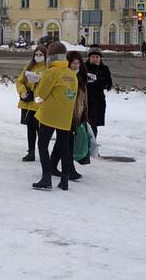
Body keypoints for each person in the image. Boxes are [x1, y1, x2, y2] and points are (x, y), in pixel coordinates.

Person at [32, 42, 78, 191]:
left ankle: (46, 178)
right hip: (66, 115)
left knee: (42, 145)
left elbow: (41, 94)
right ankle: (64, 180)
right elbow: (72, 95)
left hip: (50, 115)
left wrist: (38, 83)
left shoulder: (51, 72)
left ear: (50, 56)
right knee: (65, 147)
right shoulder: (71, 73)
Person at [50, 51, 88, 179]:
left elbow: (84, 99)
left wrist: (84, 114)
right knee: (67, 142)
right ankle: (69, 169)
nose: (76, 66)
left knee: (62, 141)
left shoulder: (82, 77)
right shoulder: (64, 76)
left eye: (78, 63)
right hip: (64, 113)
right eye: (73, 63)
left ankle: (52, 165)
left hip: (77, 114)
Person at [15, 45, 47, 162]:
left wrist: (41, 80)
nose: (38, 56)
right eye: (36, 54)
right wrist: (22, 91)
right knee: (30, 129)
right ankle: (31, 152)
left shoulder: (48, 69)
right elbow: (19, 82)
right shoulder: (29, 67)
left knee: (41, 130)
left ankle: (43, 153)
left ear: (45, 56)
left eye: (41, 55)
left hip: (40, 104)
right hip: (28, 103)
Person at [85, 44, 113, 139]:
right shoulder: (84, 67)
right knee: (84, 124)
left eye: (97, 57)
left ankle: (92, 145)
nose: (95, 59)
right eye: (93, 57)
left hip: (98, 100)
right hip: (86, 99)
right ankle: (83, 145)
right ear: (89, 57)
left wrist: (98, 80)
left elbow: (109, 84)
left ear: (100, 58)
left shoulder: (104, 68)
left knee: (93, 125)